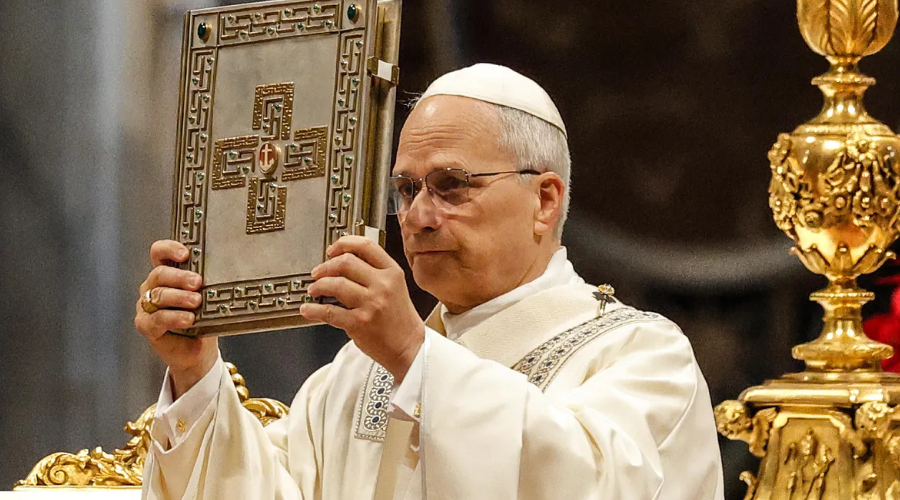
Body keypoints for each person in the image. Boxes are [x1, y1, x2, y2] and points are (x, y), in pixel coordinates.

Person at [136, 63, 724, 500]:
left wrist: (414, 354)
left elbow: (590, 485)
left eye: (451, 185)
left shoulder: (643, 358)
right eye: (406, 189)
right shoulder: (356, 372)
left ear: (544, 200)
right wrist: (195, 373)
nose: (418, 216)